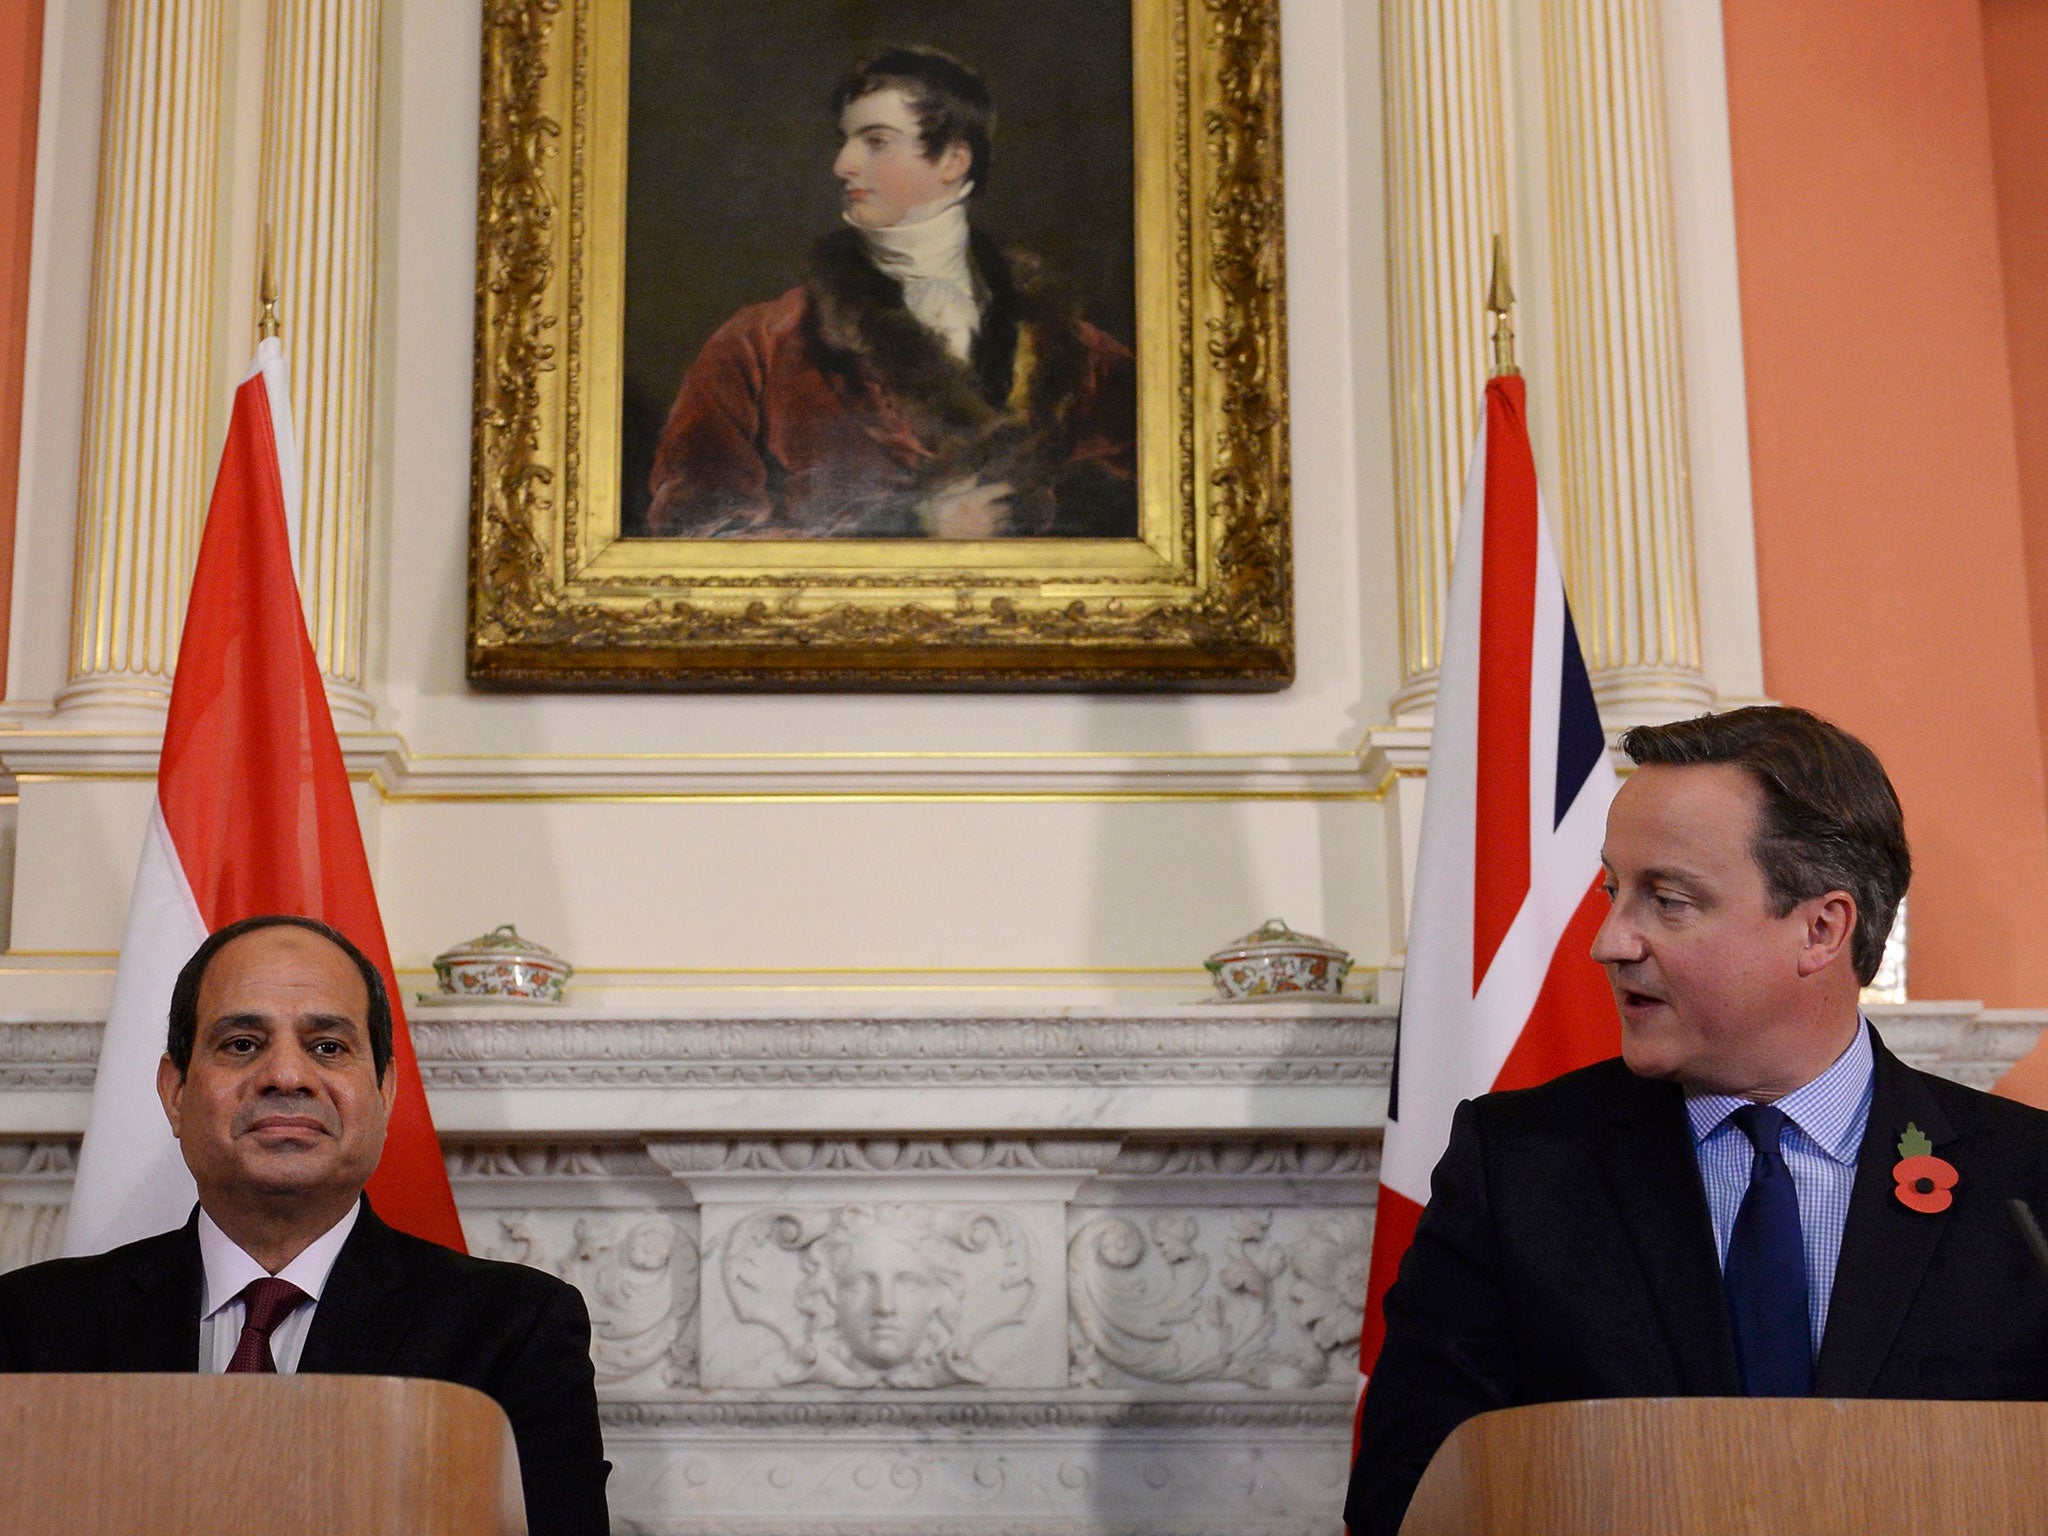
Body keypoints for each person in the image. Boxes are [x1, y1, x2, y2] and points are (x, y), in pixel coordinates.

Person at [1346, 706, 2048, 1536]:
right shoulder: (1520, 1165)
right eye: (1615, 890)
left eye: (1666, 900)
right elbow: (1405, 1486)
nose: (1610, 941)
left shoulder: (2025, 1184)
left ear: (1822, 929)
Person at [0, 915, 610, 1536]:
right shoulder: (30, 1324)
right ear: (176, 1091)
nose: (286, 1075)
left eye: (328, 1047)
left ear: (385, 1091)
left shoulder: (514, 1327)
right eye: (242, 1043)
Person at [645, 44, 1136, 539]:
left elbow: (1178, 504)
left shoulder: (1074, 350)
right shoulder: (762, 342)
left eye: (876, 141)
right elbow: (697, 538)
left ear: (953, 160)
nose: (842, 164)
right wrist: (904, 529)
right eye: (846, 140)